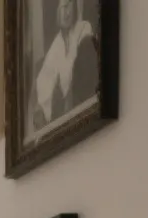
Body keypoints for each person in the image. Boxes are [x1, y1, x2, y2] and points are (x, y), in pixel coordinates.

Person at [32, 0, 99, 130]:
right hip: (62, 105)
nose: (67, 12)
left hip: (79, 94)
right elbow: (44, 79)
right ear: (56, 12)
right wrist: (42, 106)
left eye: (70, 6)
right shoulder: (56, 44)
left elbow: (84, 64)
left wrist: (68, 95)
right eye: (63, 7)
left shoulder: (83, 27)